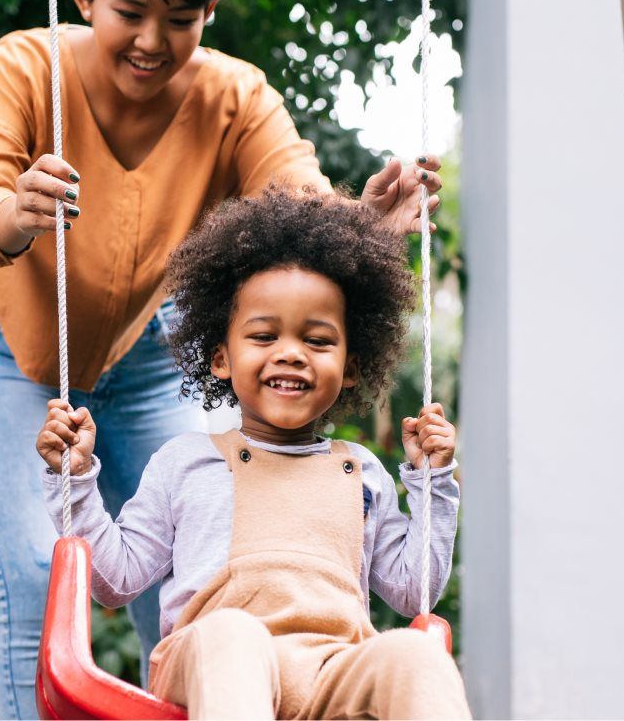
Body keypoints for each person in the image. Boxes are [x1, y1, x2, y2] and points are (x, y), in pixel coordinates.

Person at [0, 0, 441, 715]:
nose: (152, 42)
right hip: (7, 350)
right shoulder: (26, 65)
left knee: (190, 574)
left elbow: (299, 200)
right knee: (40, 572)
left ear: (209, 9)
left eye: (179, 19)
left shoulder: (235, 97)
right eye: (130, 12)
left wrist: (365, 227)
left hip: (147, 359)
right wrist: (14, 212)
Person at [36, 190, 470, 719]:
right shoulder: (185, 463)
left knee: (414, 653)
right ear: (221, 358)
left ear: (351, 367)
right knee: (234, 634)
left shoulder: (361, 472)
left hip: (332, 671)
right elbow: (115, 579)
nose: (290, 353)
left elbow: (412, 589)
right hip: (213, 660)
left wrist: (434, 480)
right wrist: (76, 476)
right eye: (264, 336)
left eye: (318, 341)